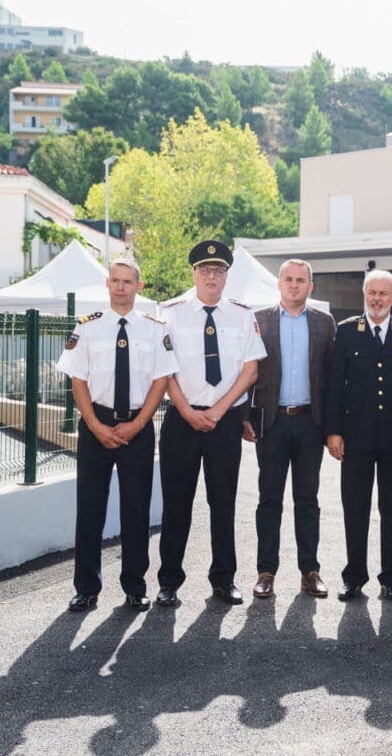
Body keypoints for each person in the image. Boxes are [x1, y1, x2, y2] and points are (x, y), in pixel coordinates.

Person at [56, 256, 178, 613]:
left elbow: (161, 380)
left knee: (136, 510)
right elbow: (78, 380)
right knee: (89, 508)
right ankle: (86, 588)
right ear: (107, 284)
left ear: (139, 286)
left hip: (137, 427)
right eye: (115, 280)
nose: (121, 286)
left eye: (128, 281)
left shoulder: (155, 328)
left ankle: (135, 586)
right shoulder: (87, 327)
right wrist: (95, 425)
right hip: (96, 425)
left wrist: (138, 424)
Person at [155, 240, 266, 608]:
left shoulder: (242, 315)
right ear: (194, 274)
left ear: (226, 276)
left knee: (223, 503)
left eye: (218, 270)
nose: (211, 276)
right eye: (205, 270)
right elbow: (164, 370)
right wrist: (187, 411)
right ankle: (169, 581)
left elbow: (250, 371)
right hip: (181, 419)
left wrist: (218, 411)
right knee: (176, 504)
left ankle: (223, 579)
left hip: (225, 420)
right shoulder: (170, 313)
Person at [241, 259, 337, 600]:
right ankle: (266, 572)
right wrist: (244, 417)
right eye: (288, 279)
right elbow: (246, 370)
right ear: (279, 283)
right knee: (269, 499)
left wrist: (333, 427)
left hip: (311, 422)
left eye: (301, 280)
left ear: (310, 286)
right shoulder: (259, 320)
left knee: (307, 500)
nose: (294, 285)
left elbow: (333, 378)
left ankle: (310, 571)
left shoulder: (325, 323)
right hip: (272, 422)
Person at [325, 269, 392, 602]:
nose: (377, 299)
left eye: (383, 293)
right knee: (355, 508)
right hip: (356, 437)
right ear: (364, 295)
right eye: (371, 293)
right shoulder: (346, 331)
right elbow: (334, 385)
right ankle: (354, 577)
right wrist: (333, 431)